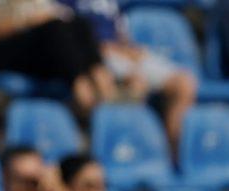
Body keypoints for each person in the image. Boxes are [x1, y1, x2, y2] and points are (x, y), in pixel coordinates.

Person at [68, 0, 196, 147]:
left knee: (184, 83)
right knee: (135, 84)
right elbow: (64, 34)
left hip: (122, 51)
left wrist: (129, 49)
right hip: (93, 56)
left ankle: (174, 159)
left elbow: (119, 32)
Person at [0, 0, 107, 105]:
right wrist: (27, 21)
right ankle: (83, 95)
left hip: (21, 48)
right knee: (54, 30)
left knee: (80, 24)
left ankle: (104, 87)